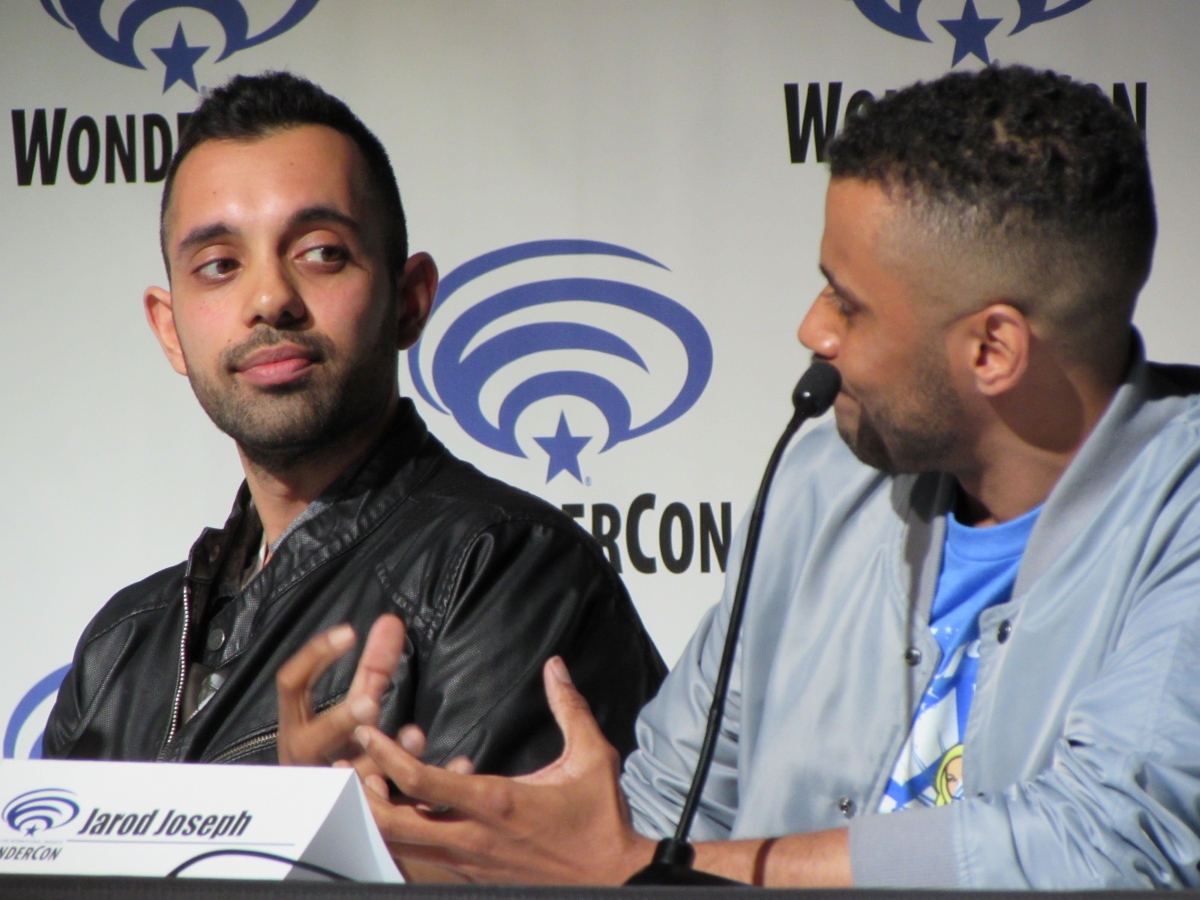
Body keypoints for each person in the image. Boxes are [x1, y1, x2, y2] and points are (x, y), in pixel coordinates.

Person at [298, 65, 1200, 888]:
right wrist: (417, 834)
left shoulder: (1181, 508)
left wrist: (646, 868)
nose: (814, 329)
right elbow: (663, 809)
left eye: (848, 302)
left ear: (993, 348)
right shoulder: (821, 479)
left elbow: (1114, 846)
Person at [41, 72, 666, 777]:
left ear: (409, 301)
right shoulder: (120, 649)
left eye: (321, 253)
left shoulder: (506, 569)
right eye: (219, 265)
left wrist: (317, 821)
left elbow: (503, 848)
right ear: (170, 331)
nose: (270, 298)